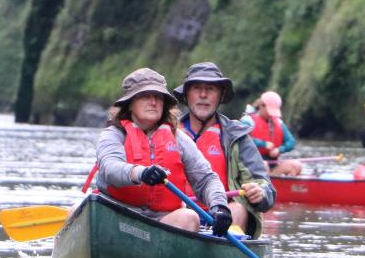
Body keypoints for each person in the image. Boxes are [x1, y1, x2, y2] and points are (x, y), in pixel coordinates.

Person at [95, 68, 232, 235]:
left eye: (158, 97)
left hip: (161, 222)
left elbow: (206, 179)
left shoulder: (178, 139)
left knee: (189, 218)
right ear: (130, 103)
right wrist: (141, 173)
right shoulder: (113, 135)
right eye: (145, 96)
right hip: (116, 213)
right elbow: (110, 169)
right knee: (77, 208)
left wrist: (219, 206)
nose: (153, 102)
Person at [173, 61, 275, 238]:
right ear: (187, 94)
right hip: (180, 217)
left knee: (237, 210)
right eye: (197, 88)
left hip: (223, 219)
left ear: (220, 96)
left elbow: (266, 187)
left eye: (211, 89)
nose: (203, 95)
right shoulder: (167, 132)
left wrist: (260, 193)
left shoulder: (237, 136)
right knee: (183, 217)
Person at [243, 90, 302, 177]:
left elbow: (291, 142)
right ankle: (264, 186)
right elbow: (241, 139)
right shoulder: (247, 121)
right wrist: (263, 144)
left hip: (272, 165)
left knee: (296, 166)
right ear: (262, 106)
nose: (272, 115)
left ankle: (279, 186)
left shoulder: (278, 122)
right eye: (270, 110)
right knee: (264, 165)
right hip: (251, 164)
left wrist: (279, 149)